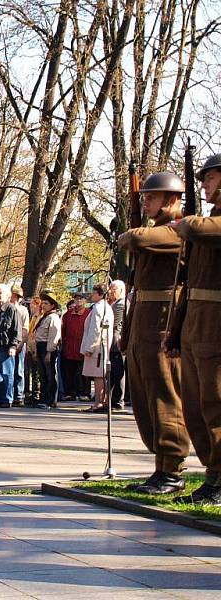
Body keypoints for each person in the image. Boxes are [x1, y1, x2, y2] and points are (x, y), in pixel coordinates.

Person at [117, 171, 190, 494]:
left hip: (163, 323)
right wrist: (128, 331)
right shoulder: (158, 229)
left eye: (152, 196)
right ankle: (160, 466)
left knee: (165, 398)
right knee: (146, 401)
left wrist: (129, 234)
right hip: (143, 323)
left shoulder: (180, 229)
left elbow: (137, 239)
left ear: (172, 200)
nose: (145, 201)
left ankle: (173, 469)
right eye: (144, 196)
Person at [169, 153, 221, 505]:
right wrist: (176, 332)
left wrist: (186, 223)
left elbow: (201, 228)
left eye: (209, 177)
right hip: (196, 323)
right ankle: (212, 473)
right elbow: (189, 284)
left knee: (216, 402)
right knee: (195, 406)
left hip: (216, 324)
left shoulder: (207, 225)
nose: (203, 183)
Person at [81, 284, 114, 412]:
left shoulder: (99, 308)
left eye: (94, 293)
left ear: (100, 294)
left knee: (98, 375)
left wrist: (90, 347)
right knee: (100, 374)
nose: (91, 295)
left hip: (97, 348)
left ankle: (99, 402)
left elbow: (95, 329)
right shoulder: (106, 307)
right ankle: (101, 401)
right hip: (102, 346)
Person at [33, 292, 61, 409]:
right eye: (42, 303)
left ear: (52, 305)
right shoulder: (44, 317)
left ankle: (50, 400)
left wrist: (49, 352)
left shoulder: (53, 318)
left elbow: (54, 336)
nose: (43, 305)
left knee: (50, 375)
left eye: (46, 303)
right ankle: (43, 398)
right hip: (40, 347)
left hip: (47, 348)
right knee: (43, 375)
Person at [60, 293, 90, 401]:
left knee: (83, 372)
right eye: (76, 298)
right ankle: (70, 393)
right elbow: (63, 331)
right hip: (69, 348)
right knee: (69, 372)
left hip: (82, 347)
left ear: (85, 301)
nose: (78, 301)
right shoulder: (67, 315)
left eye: (81, 298)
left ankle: (84, 393)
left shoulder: (88, 314)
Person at [107, 280, 127, 411]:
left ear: (120, 290)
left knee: (118, 372)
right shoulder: (115, 303)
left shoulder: (120, 304)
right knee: (114, 372)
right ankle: (112, 399)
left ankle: (118, 401)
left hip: (117, 342)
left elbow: (113, 323)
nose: (110, 292)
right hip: (113, 342)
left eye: (113, 289)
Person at [10, 285, 29, 406]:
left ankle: (19, 395)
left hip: (20, 343)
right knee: (10, 370)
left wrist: (21, 344)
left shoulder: (23, 310)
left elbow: (25, 328)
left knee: (19, 370)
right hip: (9, 343)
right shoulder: (7, 308)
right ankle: (11, 393)